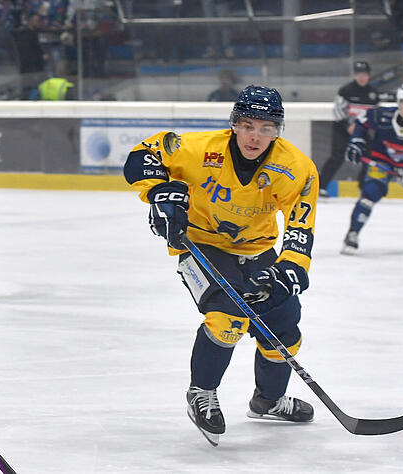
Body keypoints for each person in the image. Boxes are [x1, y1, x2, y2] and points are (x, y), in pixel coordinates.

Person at [123, 85, 317, 445]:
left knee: (284, 325)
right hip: (200, 245)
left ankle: (269, 401)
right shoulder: (199, 149)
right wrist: (158, 193)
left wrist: (291, 267)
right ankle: (202, 392)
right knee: (228, 315)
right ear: (233, 124)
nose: (255, 136)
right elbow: (143, 153)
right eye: (247, 125)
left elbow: (300, 224)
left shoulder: (296, 168)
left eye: (266, 128)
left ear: (278, 130)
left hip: (258, 250)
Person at [340, 83, 403, 254]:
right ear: (398, 103)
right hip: (381, 161)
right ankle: (353, 233)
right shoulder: (382, 115)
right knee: (370, 193)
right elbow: (362, 121)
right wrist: (357, 141)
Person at [318, 60, 380, 197]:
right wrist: (348, 125)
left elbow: (375, 114)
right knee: (337, 156)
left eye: (364, 74)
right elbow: (338, 110)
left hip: (363, 130)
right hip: (342, 129)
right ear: (355, 75)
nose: (362, 77)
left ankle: (363, 186)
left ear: (368, 75)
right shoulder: (346, 90)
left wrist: (364, 127)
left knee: (369, 156)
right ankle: (321, 185)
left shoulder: (373, 94)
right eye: (359, 74)